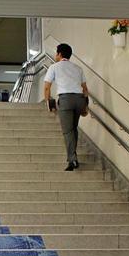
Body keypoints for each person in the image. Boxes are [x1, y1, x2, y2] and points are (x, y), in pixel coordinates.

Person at [44, 43, 89, 171]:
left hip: (66, 100)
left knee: (68, 131)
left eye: (56, 52)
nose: (55, 55)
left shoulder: (54, 67)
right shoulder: (78, 68)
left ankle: (72, 160)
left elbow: (47, 86)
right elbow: (85, 88)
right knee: (73, 129)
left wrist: (48, 102)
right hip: (79, 100)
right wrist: (86, 105)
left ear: (59, 54)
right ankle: (73, 156)